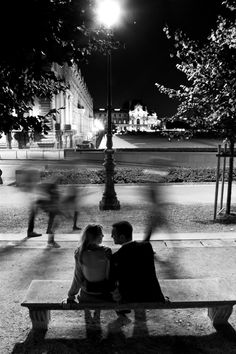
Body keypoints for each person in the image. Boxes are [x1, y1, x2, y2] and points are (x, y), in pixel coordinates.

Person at [110, 221, 166, 304]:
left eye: (113, 235)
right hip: (152, 296)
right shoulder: (147, 247)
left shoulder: (116, 257)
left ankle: (122, 313)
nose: (111, 236)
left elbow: (113, 279)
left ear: (122, 237)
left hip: (130, 299)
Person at [66, 224, 114, 303]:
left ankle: (88, 313)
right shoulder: (106, 251)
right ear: (95, 237)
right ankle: (96, 313)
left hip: (88, 291)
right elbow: (109, 275)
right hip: (104, 292)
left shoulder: (79, 253)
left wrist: (71, 295)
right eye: (101, 234)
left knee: (84, 283)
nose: (103, 235)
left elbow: (77, 277)